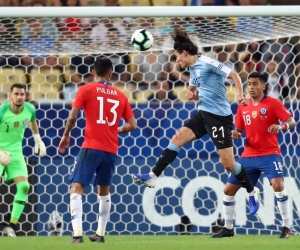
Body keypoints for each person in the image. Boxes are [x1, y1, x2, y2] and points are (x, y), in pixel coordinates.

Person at [131, 27, 260, 215]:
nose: (176, 61)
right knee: (176, 139)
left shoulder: (208, 62)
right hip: (202, 114)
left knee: (228, 164)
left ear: (184, 52)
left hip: (219, 118)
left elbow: (233, 75)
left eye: (177, 57)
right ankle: (152, 176)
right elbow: (193, 86)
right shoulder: (192, 69)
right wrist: (191, 92)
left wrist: (240, 95)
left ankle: (251, 191)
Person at [58, 56, 136, 243]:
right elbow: (132, 124)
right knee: (104, 191)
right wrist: (116, 129)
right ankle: (100, 234)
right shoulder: (121, 95)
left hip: (91, 147)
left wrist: (66, 134)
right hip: (111, 150)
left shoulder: (86, 89)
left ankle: (77, 234)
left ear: (93, 72)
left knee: (76, 188)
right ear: (111, 73)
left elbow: (73, 116)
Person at [212, 72, 296, 239]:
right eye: (249, 84)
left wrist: (281, 127)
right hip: (249, 154)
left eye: (255, 84)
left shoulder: (273, 103)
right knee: (228, 190)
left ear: (263, 86)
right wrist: (235, 134)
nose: (250, 87)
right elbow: (239, 130)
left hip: (270, 154)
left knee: (278, 186)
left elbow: (291, 121)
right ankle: (228, 228)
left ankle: (286, 226)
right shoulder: (243, 106)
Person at [0, 83, 46, 237]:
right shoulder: (2, 110)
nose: (20, 97)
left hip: (16, 152)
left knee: (24, 187)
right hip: (0, 150)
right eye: (16, 94)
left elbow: (32, 122)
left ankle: (10, 226)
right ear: (10, 96)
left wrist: (37, 139)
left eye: (22, 94)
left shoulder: (30, 109)